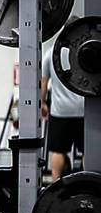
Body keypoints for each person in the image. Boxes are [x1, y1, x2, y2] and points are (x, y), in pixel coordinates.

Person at [41, 45, 84, 181]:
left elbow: (43, 81)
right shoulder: (85, 49)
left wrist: (41, 103)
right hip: (84, 110)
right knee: (88, 150)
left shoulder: (51, 52)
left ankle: (56, 184)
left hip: (60, 111)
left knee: (58, 151)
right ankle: (87, 184)